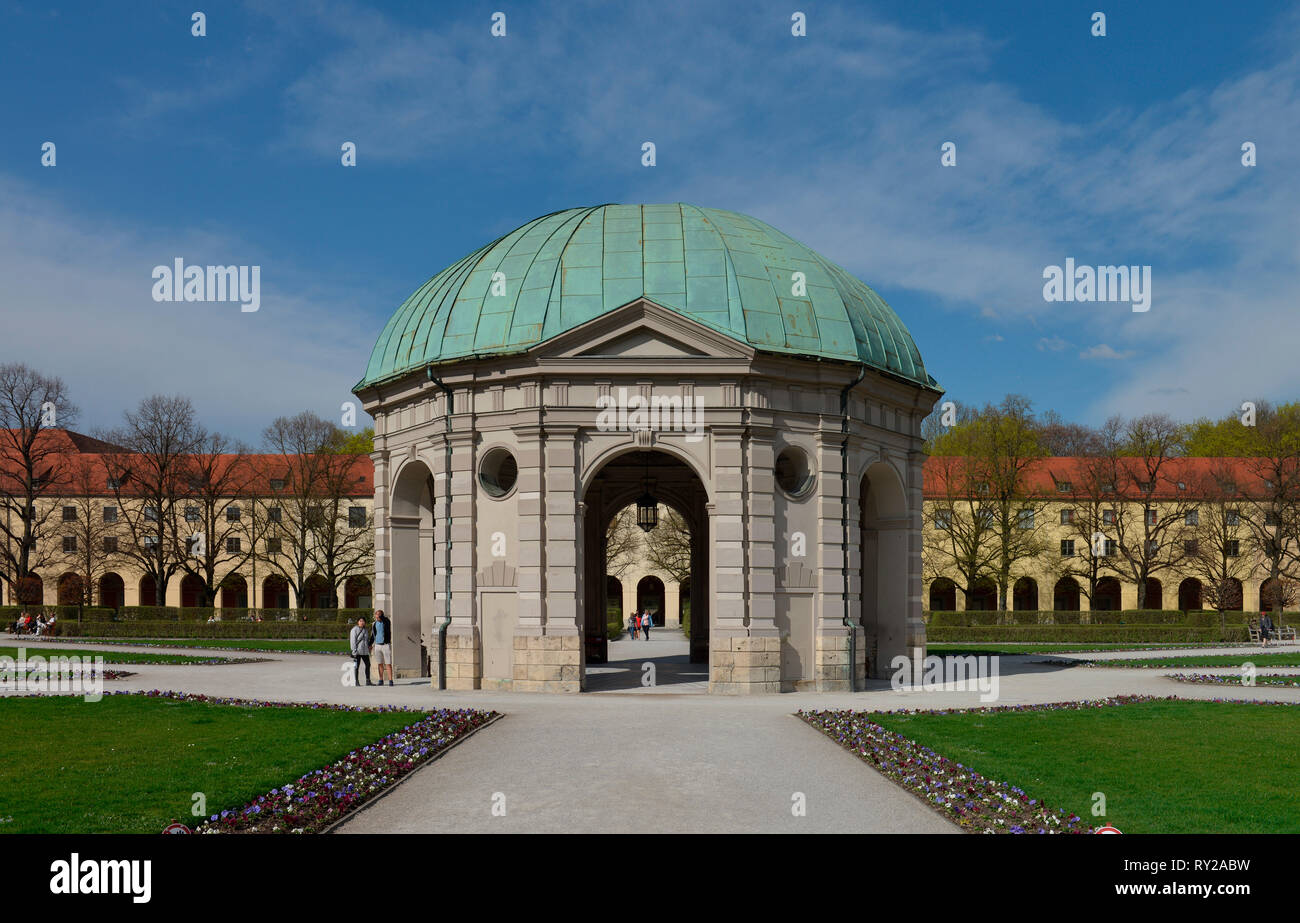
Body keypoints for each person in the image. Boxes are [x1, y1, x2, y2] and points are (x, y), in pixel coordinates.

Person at [372, 609, 394, 686]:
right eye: (376, 614)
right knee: (380, 663)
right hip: (377, 645)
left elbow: (386, 622)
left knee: (388, 663)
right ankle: (381, 680)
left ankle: (390, 680)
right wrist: (370, 644)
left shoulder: (386, 622)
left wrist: (381, 617)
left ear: (382, 615)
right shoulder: (374, 624)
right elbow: (373, 635)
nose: (377, 616)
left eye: (379, 614)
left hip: (385, 645)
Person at [349, 617, 374, 686]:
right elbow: (353, 641)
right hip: (357, 651)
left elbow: (366, 640)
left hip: (365, 651)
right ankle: (356, 681)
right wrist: (353, 651)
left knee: (368, 665)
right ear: (358, 622)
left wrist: (369, 647)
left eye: (363, 621)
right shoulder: (354, 630)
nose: (362, 622)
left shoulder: (365, 630)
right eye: (360, 621)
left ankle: (368, 681)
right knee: (356, 666)